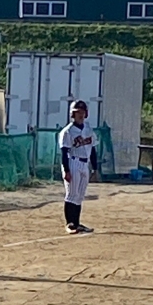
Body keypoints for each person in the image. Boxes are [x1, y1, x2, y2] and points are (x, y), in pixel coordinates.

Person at [59, 99, 98, 234]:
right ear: (72, 114)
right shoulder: (68, 131)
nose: (80, 115)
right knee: (72, 194)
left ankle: (77, 223)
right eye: (77, 112)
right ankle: (70, 223)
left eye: (82, 112)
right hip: (73, 162)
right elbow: (64, 152)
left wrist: (95, 168)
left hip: (85, 163)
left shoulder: (88, 129)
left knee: (80, 195)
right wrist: (66, 170)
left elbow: (93, 149)